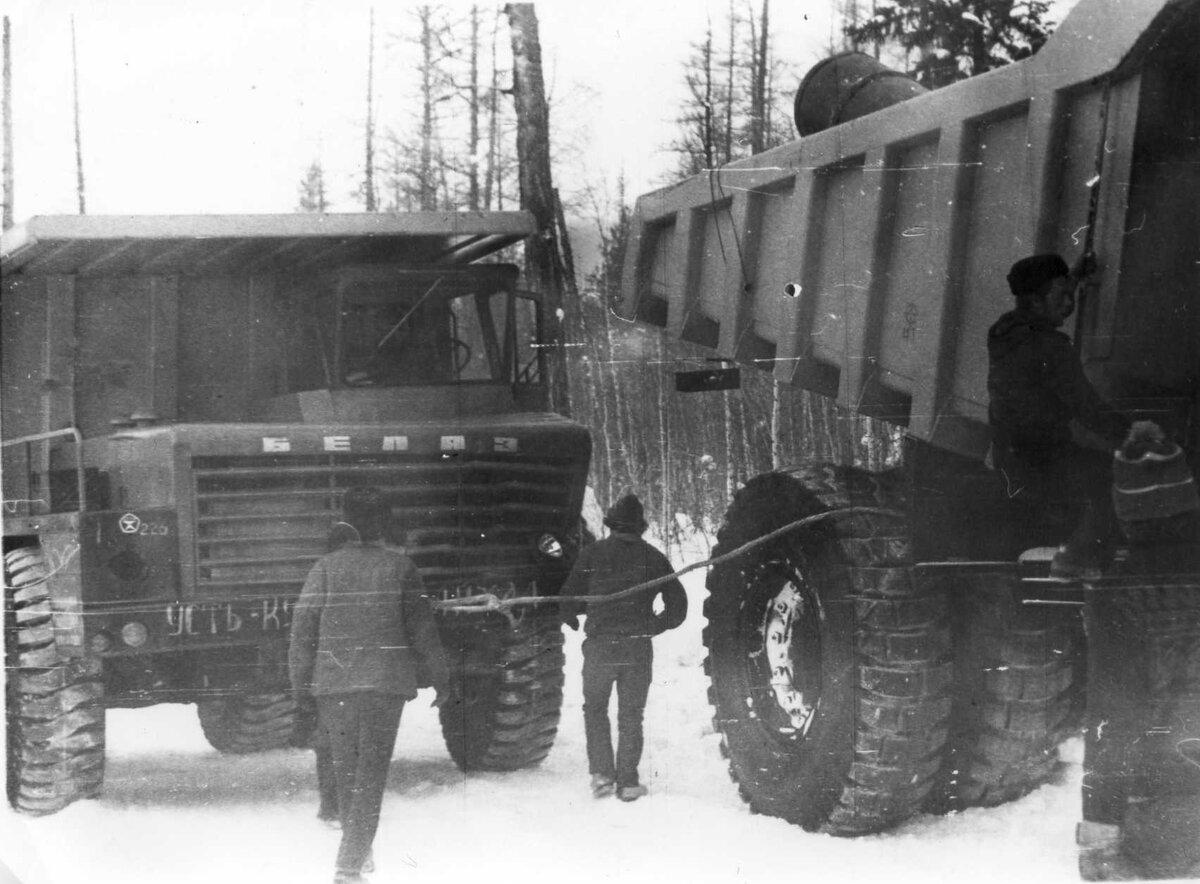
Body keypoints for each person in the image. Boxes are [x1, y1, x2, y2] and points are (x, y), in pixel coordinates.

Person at [289, 488, 451, 884]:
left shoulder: (324, 568)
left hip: (333, 686)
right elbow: (424, 633)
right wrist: (443, 683)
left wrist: (300, 688)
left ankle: (358, 853)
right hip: (384, 686)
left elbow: (302, 632)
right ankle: (349, 863)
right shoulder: (401, 568)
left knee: (347, 772)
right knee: (370, 775)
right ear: (384, 524)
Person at [986, 252, 1132, 578]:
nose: (1069, 303)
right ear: (1037, 302)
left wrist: (1073, 278)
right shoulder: (1051, 349)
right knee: (1112, 477)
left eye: (1070, 293)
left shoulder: (1004, 332)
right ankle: (1076, 563)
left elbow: (1040, 313)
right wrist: (1134, 435)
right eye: (1061, 295)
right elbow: (1089, 409)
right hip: (1041, 462)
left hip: (1009, 457)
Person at [560, 493, 687, 801]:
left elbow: (567, 598)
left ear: (612, 525)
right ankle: (628, 782)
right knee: (632, 715)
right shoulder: (655, 557)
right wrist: (652, 626)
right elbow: (678, 607)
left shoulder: (592, 554)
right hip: (637, 649)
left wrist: (575, 619)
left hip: (600, 647)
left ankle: (602, 777)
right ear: (639, 527)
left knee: (596, 710)